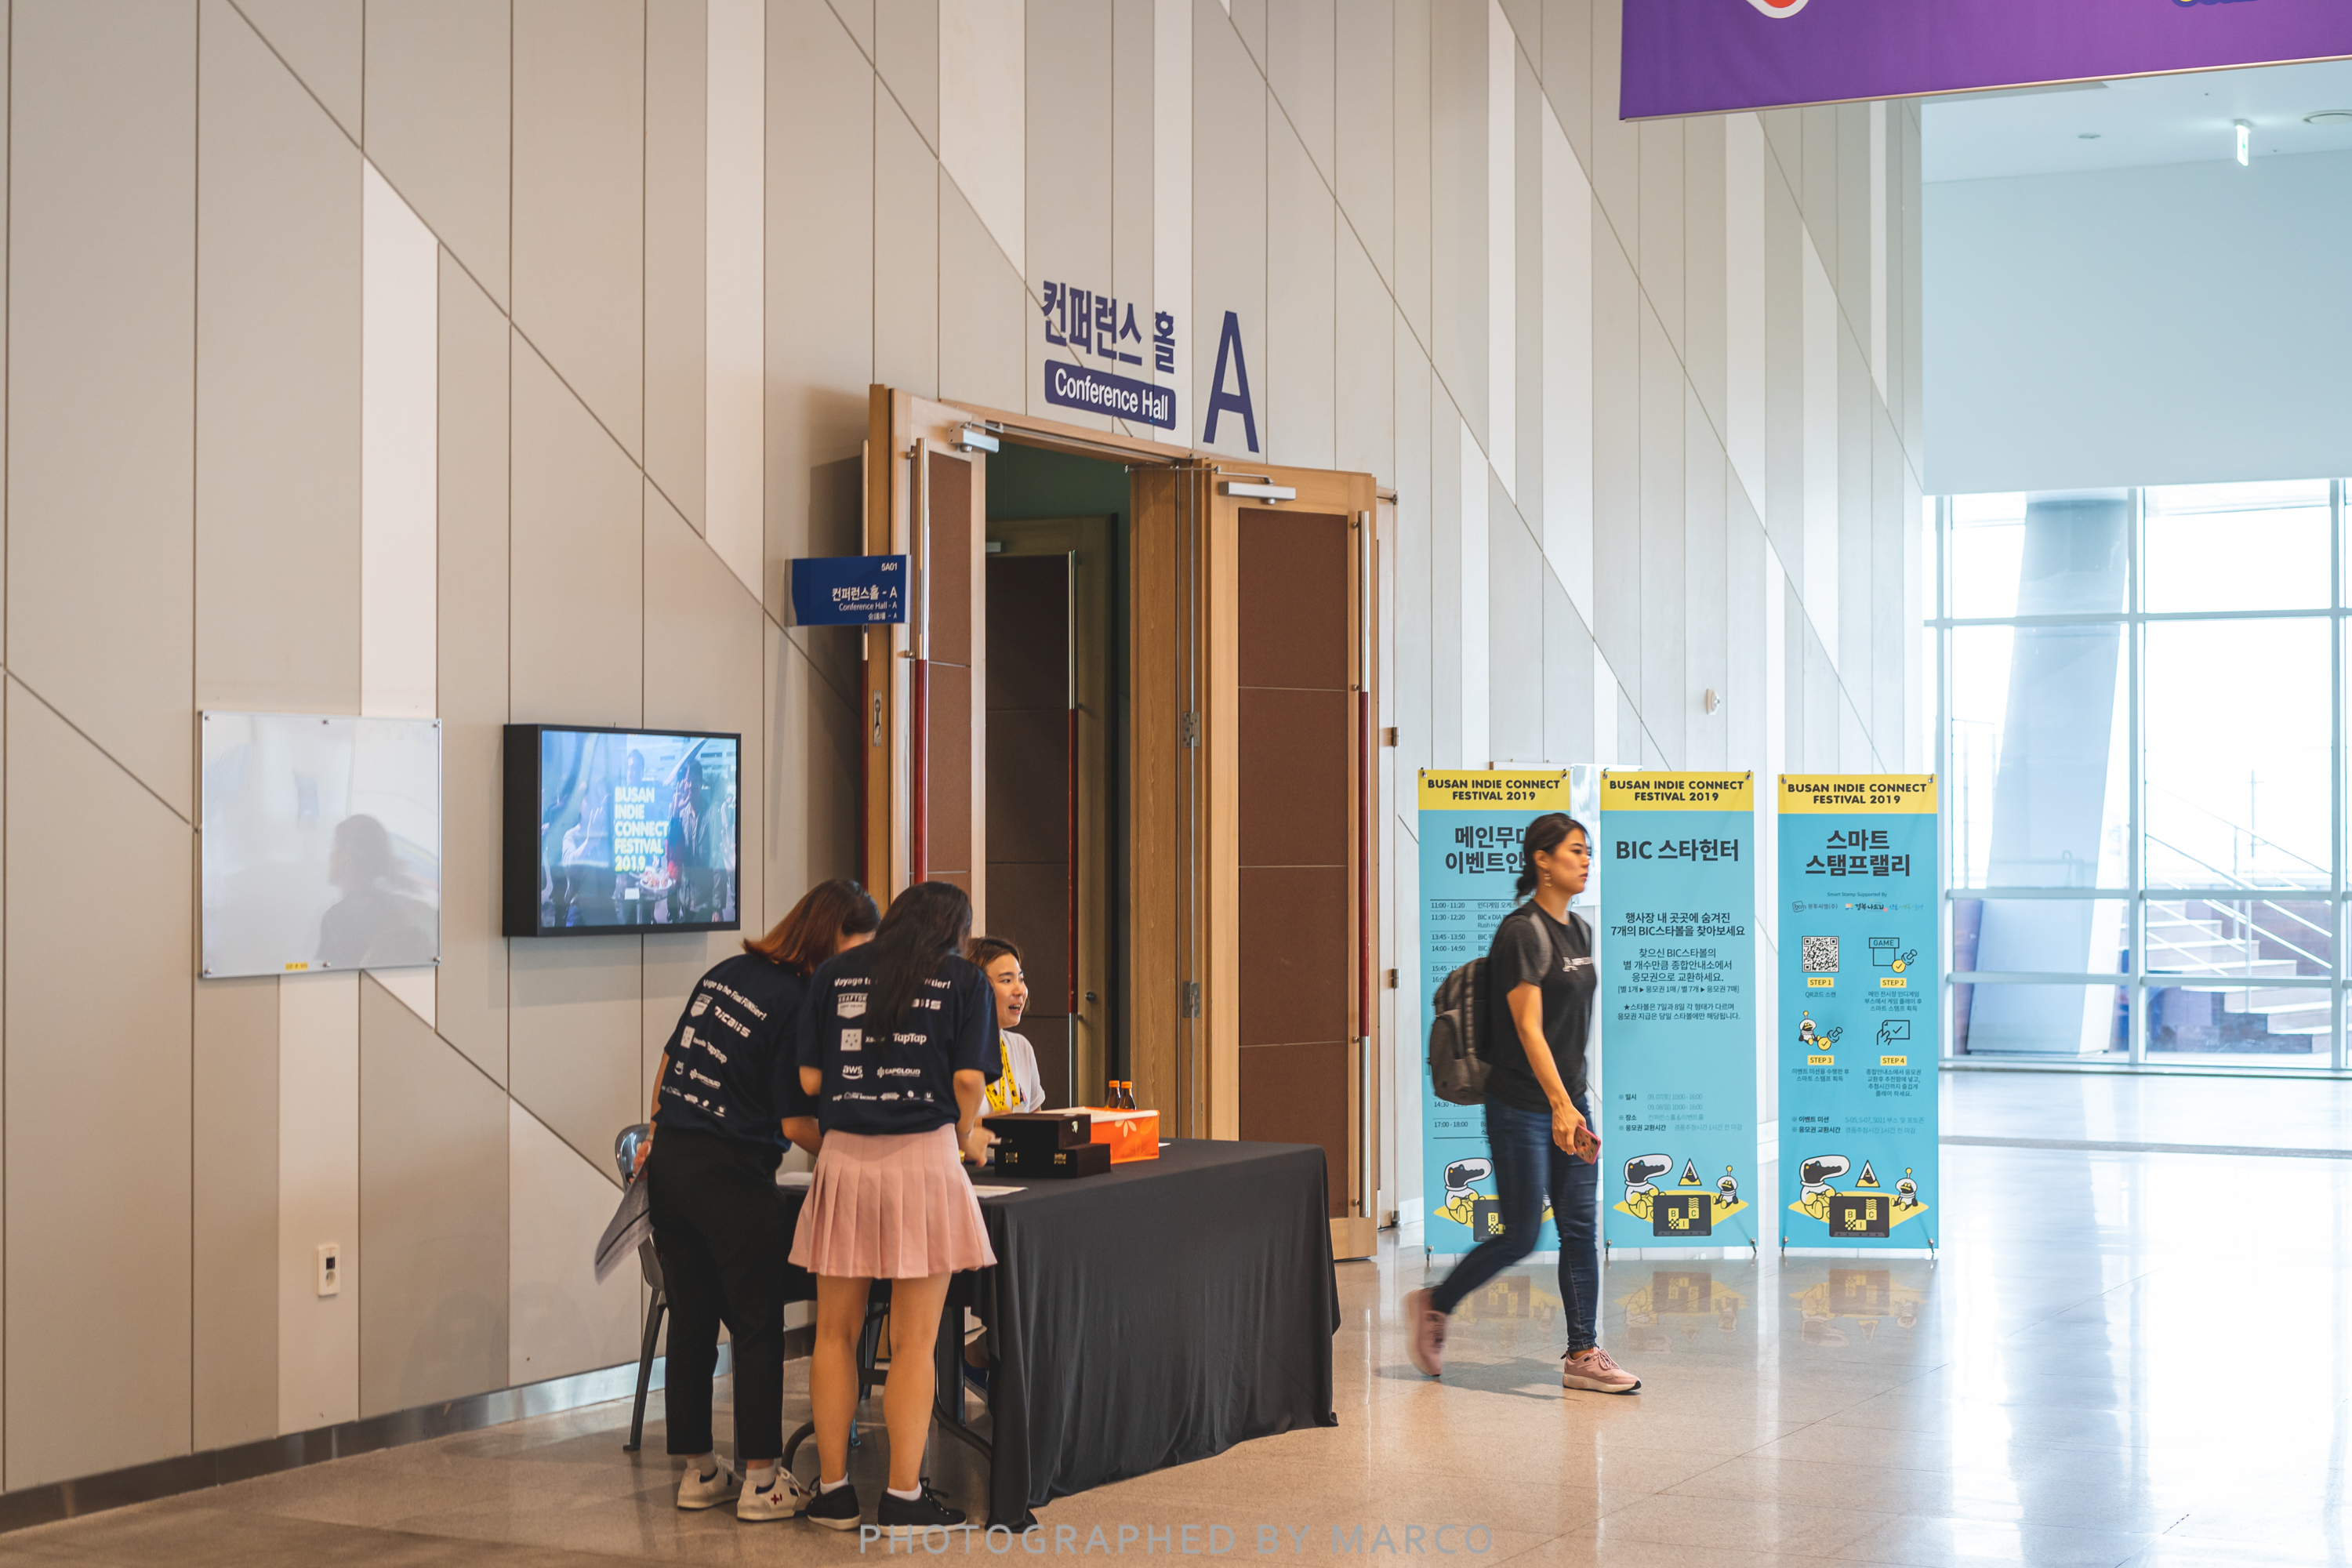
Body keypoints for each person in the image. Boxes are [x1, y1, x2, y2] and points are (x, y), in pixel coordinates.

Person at [637, 877, 880, 1523]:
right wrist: (862, 1156)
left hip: (672, 1165)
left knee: (692, 1322)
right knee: (756, 1325)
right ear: (827, 940)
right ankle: (763, 1482)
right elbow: (798, 1123)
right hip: (732, 1176)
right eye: (854, 952)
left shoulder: (726, 972)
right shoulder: (800, 1000)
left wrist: (659, 1128)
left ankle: (699, 1474)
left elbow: (667, 1068)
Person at [1403, 814, 1641, 1396]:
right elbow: (1529, 1028)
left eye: (1588, 851)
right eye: (1575, 850)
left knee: (1580, 1226)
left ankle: (1583, 1352)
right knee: (1521, 1234)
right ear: (1542, 859)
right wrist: (1559, 1106)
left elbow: (1569, 1026)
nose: (1586, 860)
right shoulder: (1521, 933)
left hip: (1570, 1102)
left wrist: (1573, 1101)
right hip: (1522, 1107)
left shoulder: (1579, 931)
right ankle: (1436, 1302)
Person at [793, 881, 1000, 1534]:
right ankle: (903, 1498)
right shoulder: (964, 982)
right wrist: (964, 1132)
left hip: (844, 1162)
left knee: (834, 1333)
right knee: (914, 1342)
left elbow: (810, 1080)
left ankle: (832, 1493)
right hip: (923, 1162)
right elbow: (969, 1079)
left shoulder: (834, 974)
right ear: (954, 931)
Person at [968, 936, 1047, 1115]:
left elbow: (1038, 1122)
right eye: (1007, 980)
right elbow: (942, 1127)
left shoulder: (1022, 1047)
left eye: (1021, 979)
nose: (1021, 991)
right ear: (975, 988)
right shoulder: (951, 1051)